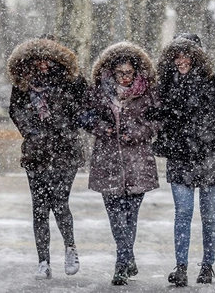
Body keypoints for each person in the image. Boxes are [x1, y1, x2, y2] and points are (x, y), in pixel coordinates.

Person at [151, 36, 215, 287]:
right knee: (183, 213)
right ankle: (181, 267)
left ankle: (207, 266)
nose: (181, 60)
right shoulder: (165, 83)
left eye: (186, 55)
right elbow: (156, 116)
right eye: (176, 56)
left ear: (197, 56)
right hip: (180, 156)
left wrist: (201, 119)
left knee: (209, 214)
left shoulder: (212, 81)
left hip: (211, 155)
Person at [7, 36, 86, 279]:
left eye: (48, 58)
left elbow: (84, 108)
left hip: (65, 152)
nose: (43, 63)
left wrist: (66, 127)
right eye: (38, 58)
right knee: (39, 208)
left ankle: (70, 247)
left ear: (57, 58)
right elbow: (15, 110)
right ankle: (43, 261)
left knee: (60, 202)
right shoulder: (23, 83)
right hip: (36, 153)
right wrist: (32, 131)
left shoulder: (72, 81)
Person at [83, 42, 159, 286]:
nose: (125, 77)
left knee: (130, 216)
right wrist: (102, 128)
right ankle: (124, 258)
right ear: (111, 72)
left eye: (129, 72)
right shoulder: (98, 92)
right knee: (116, 217)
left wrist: (138, 132)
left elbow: (158, 121)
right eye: (120, 73)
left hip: (138, 162)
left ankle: (123, 260)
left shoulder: (147, 92)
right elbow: (85, 116)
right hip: (108, 162)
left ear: (136, 72)